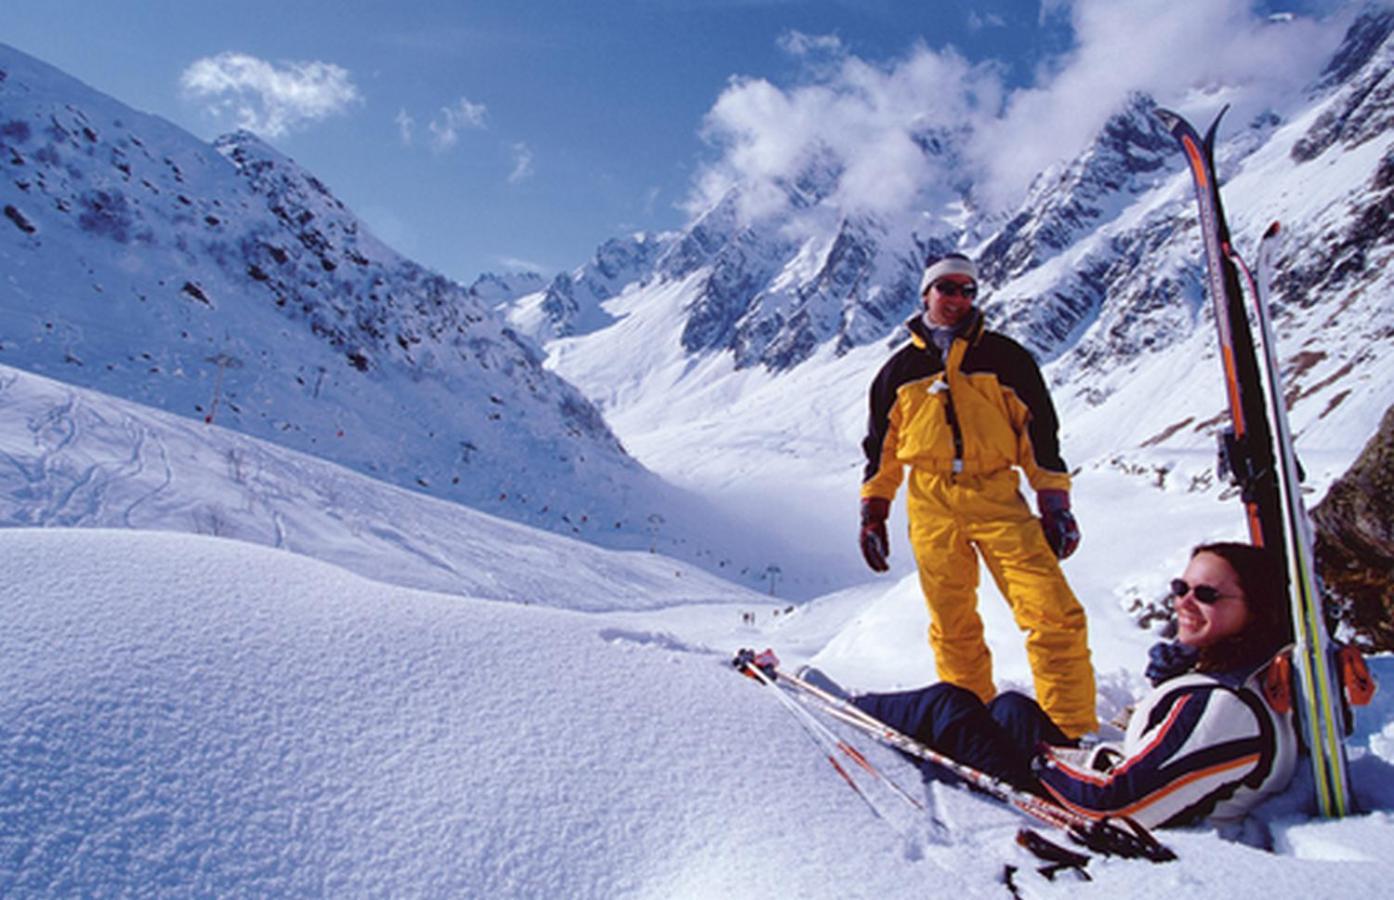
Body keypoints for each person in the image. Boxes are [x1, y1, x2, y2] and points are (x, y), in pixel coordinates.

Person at [851, 542, 1299, 830]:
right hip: (1098, 785)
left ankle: (844, 711)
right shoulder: (1241, 678)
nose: (1184, 601)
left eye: (1207, 595)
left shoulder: (1221, 706)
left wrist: (1043, 759)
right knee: (1010, 708)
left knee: (950, 706)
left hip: (1081, 817)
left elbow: (1116, 802)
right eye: (1182, 587)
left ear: (1255, 611)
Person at [859, 252, 1096, 737]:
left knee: (1052, 612)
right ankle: (974, 729)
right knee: (952, 625)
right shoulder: (897, 372)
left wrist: (1055, 503)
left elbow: (1040, 435)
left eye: (969, 290)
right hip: (930, 502)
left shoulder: (1006, 358)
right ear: (926, 294)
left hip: (997, 495)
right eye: (948, 288)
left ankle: (1069, 733)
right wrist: (873, 511)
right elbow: (881, 450)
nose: (959, 299)